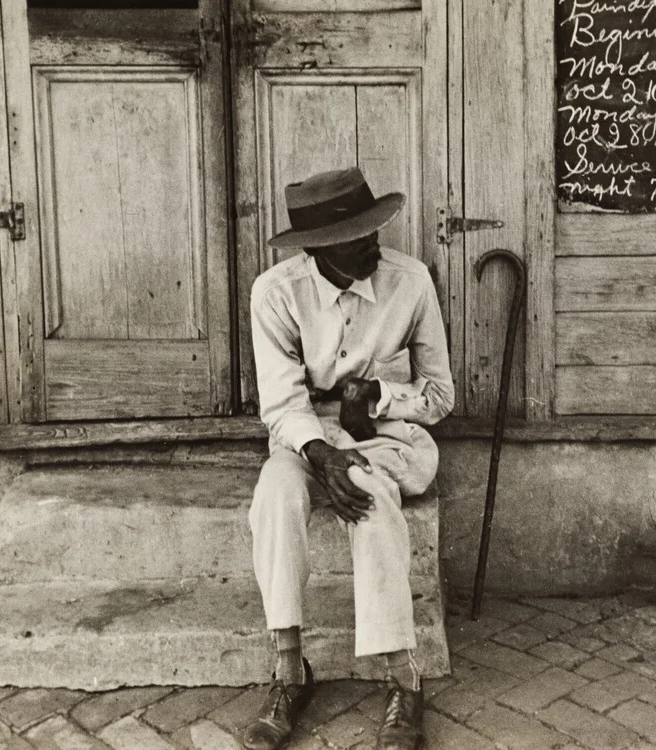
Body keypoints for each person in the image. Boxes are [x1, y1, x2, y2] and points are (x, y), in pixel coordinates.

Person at [242, 167, 454, 750]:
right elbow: (281, 401)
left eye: (374, 226)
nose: (374, 241)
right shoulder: (276, 292)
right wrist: (320, 454)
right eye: (356, 234)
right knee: (276, 494)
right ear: (316, 248)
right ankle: (289, 671)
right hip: (304, 437)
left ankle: (403, 679)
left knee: (369, 491)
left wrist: (382, 395)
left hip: (387, 438)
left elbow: (441, 396)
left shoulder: (409, 282)